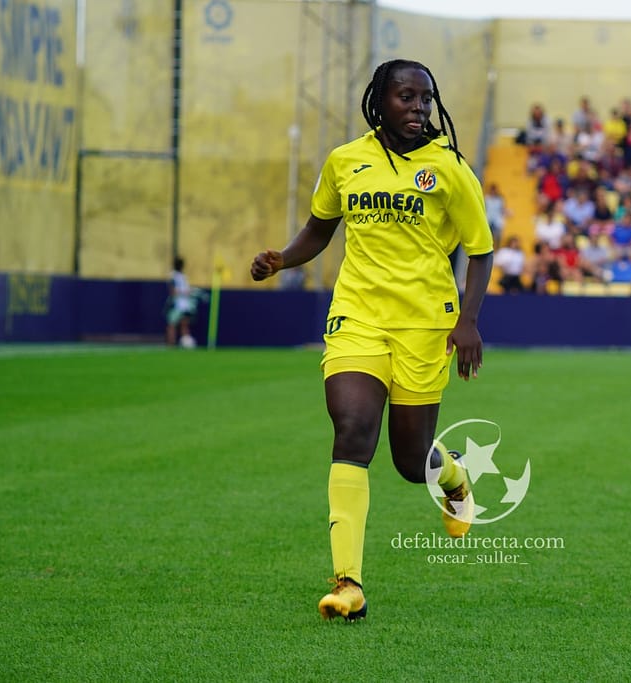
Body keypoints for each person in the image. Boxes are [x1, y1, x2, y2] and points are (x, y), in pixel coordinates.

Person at [249, 59, 494, 622]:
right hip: (356, 317)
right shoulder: (345, 161)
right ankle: (348, 584)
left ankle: (452, 476)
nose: (418, 107)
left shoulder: (450, 169)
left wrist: (469, 320)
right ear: (378, 100)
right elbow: (319, 227)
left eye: (425, 99)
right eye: (406, 96)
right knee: (353, 430)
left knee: (411, 462)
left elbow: (480, 249)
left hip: (426, 323)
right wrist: (282, 259)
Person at [165, 256, 197, 348]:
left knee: (184, 324)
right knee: (172, 324)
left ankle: (185, 344)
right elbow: (173, 291)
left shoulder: (183, 277)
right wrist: (185, 292)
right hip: (176, 304)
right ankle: (171, 344)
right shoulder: (173, 276)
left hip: (185, 305)